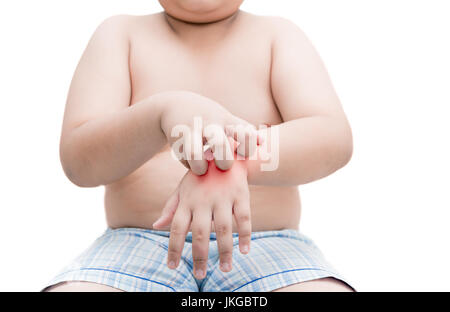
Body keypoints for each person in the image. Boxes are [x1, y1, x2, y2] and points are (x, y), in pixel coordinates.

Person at [45, 0, 354, 292]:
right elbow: (80, 163)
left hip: (264, 242)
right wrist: (159, 115)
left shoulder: (278, 37)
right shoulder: (120, 36)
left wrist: (235, 163)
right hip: (136, 242)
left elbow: (331, 137)